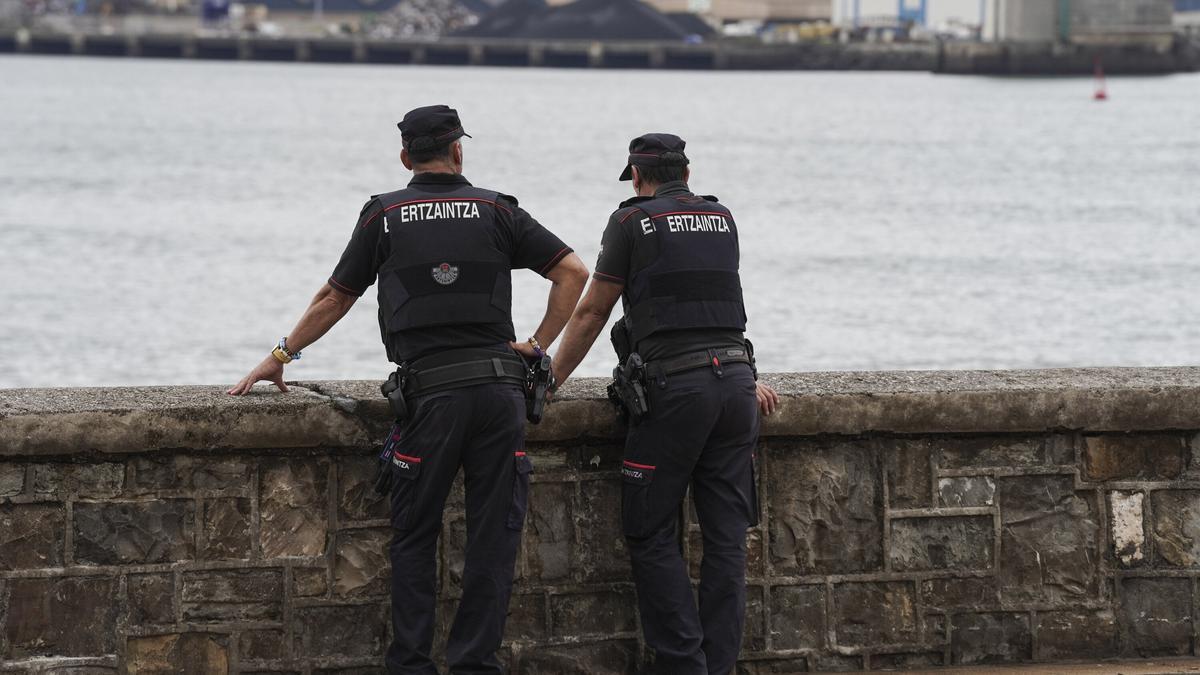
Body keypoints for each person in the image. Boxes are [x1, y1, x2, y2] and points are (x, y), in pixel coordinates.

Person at [227, 105, 589, 674]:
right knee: (493, 543)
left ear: (405, 158)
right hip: (499, 397)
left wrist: (280, 356)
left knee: (416, 535)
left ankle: (412, 664)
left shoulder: (385, 215)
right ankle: (475, 666)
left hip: (431, 399)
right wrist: (539, 344)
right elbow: (574, 271)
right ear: (459, 151)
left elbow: (334, 298)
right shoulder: (497, 210)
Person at [550, 133, 779, 675]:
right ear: (687, 171)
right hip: (735, 385)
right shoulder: (722, 218)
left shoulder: (631, 222)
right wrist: (748, 377)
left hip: (676, 392)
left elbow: (591, 313)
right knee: (725, 540)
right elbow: (714, 301)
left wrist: (551, 379)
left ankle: (683, 665)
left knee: (650, 530)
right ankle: (717, 665)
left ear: (636, 175)